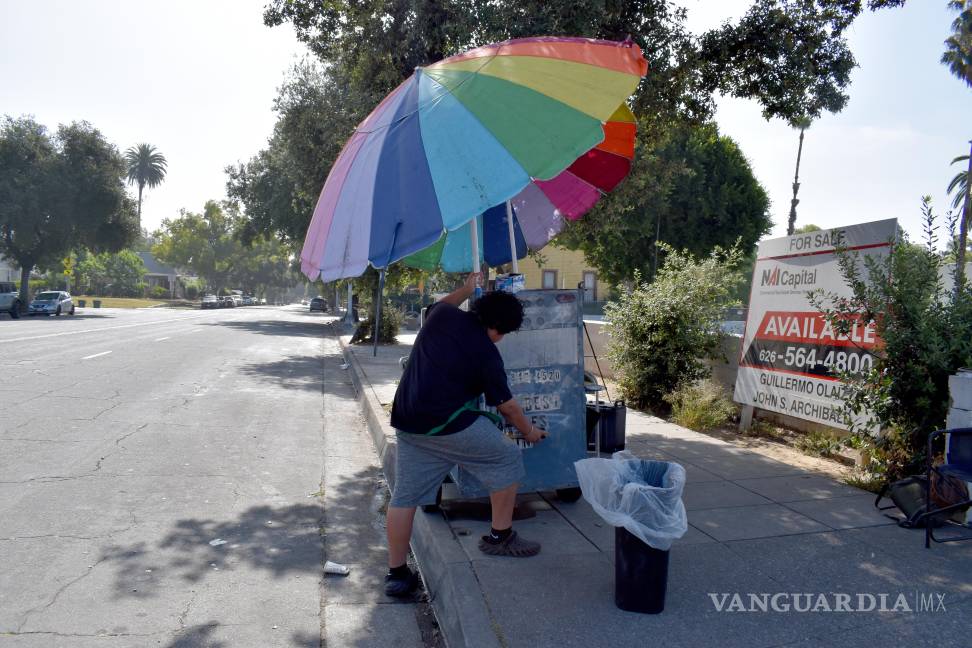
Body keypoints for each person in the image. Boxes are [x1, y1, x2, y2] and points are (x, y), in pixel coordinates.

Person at [384, 272, 547, 597]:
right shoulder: (487, 353)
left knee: (404, 497)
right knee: (508, 459)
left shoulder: (442, 315)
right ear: (500, 330)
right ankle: (501, 537)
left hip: (409, 422)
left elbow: (438, 306)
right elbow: (508, 408)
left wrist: (466, 288)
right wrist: (530, 432)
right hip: (448, 425)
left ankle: (397, 574)